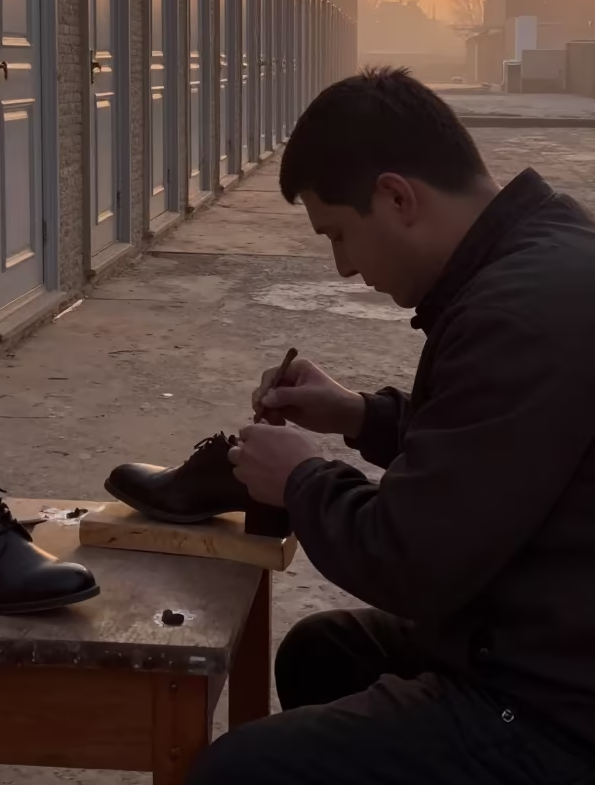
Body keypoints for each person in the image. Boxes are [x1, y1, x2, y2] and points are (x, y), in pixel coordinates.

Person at [189, 68, 595, 784]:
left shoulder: (515, 314)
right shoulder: (545, 254)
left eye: (340, 234)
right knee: (325, 654)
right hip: (548, 630)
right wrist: (360, 415)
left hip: (554, 706)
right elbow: (497, 448)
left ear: (397, 196)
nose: (343, 267)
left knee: (239, 772)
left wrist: (302, 479)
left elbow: (410, 562)